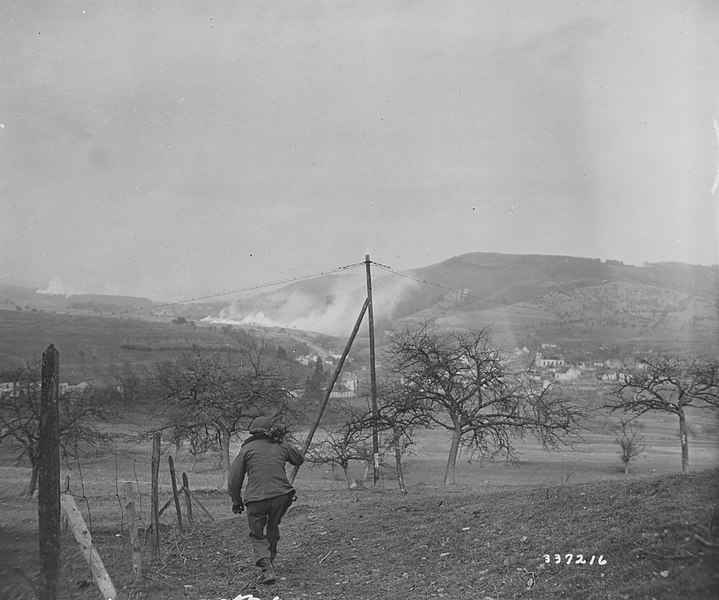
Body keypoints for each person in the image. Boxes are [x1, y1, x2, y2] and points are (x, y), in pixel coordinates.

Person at [228, 415, 305, 584]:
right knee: (272, 527)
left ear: (252, 432)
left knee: (257, 534)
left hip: (256, 499)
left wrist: (236, 501)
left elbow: (234, 479)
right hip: (281, 496)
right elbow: (299, 459)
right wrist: (283, 440)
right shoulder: (280, 445)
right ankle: (271, 561)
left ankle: (266, 568)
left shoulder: (246, 449)